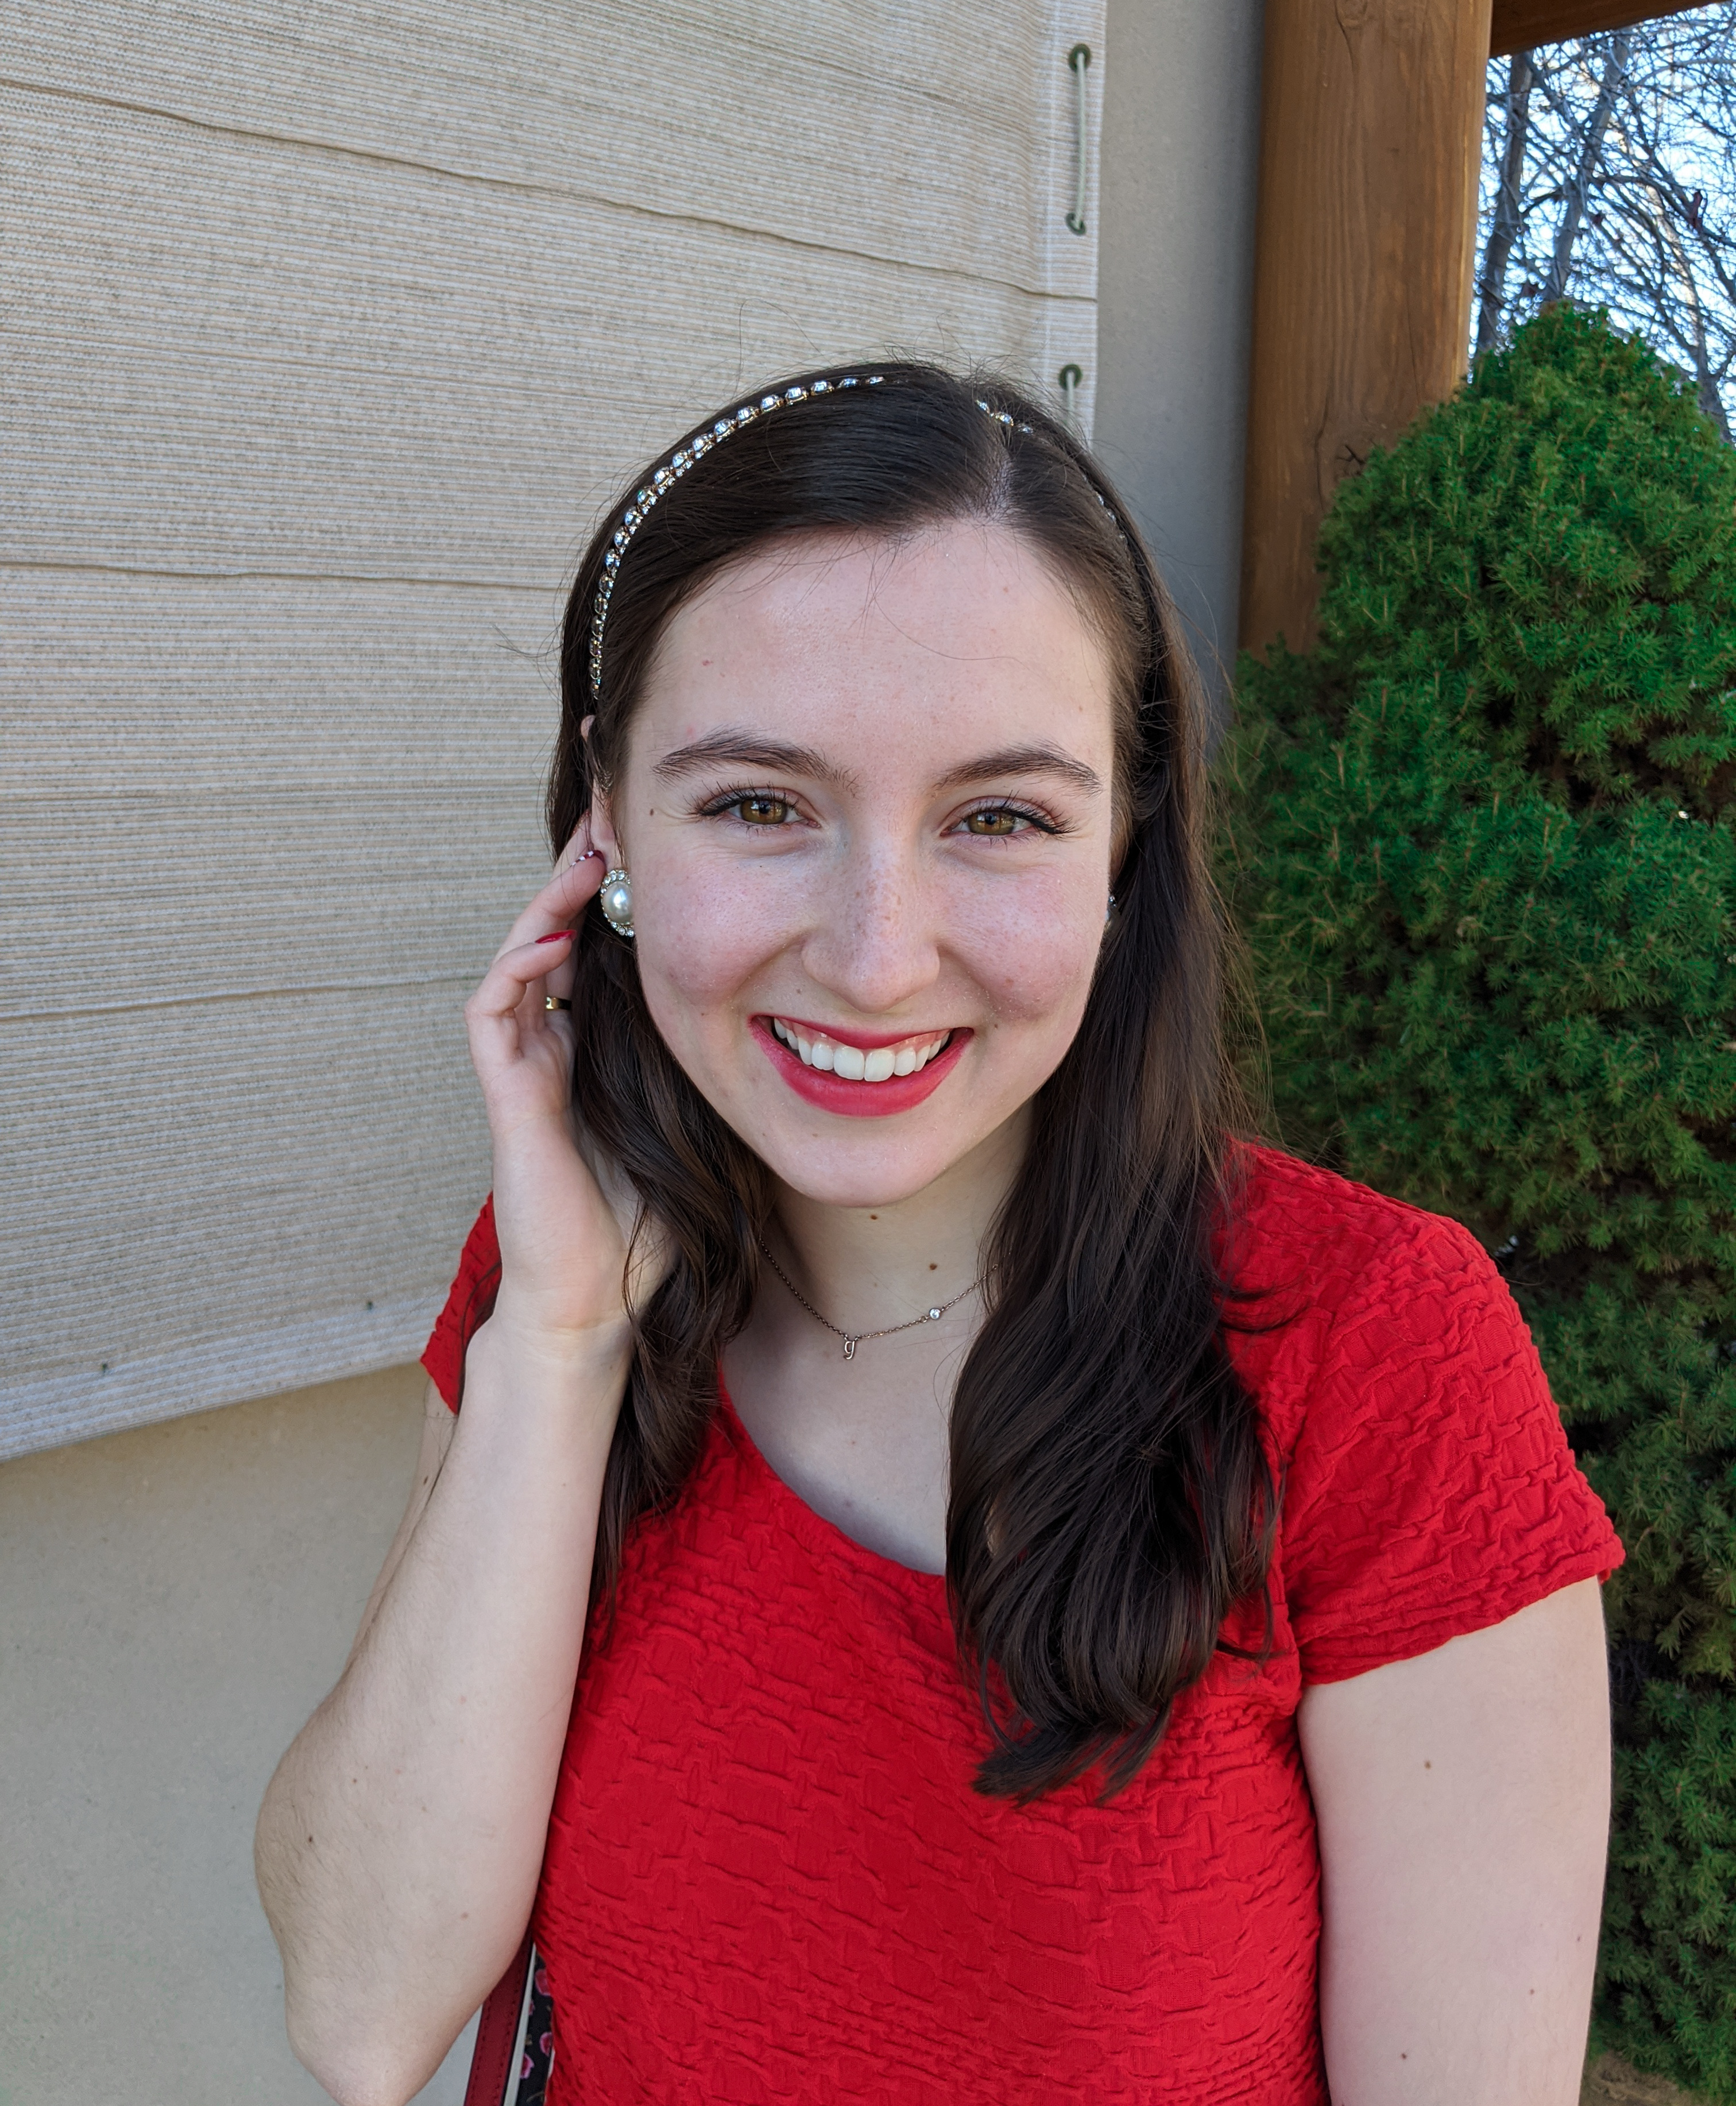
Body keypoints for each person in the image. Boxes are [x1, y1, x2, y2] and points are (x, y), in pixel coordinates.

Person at [256, 364, 1622, 2106]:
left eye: (1000, 817)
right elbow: (361, 2012)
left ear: (1123, 843)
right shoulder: (560, 1279)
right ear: (608, 818)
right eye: (759, 803)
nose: (877, 955)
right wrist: (560, 1342)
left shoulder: (1370, 1349)